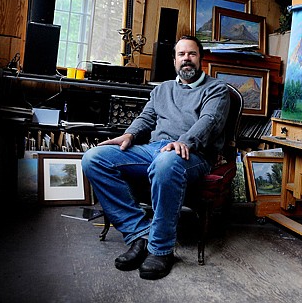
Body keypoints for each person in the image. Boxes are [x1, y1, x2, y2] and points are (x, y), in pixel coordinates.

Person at [82, 35, 230, 280]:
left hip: (193, 153)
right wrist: (129, 134)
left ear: (201, 59)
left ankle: (160, 249)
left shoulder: (216, 89)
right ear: (174, 61)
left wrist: (184, 142)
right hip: (154, 149)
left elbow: (209, 122)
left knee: (166, 163)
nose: (186, 59)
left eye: (192, 54)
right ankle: (140, 232)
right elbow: (146, 118)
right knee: (94, 158)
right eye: (181, 55)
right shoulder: (162, 89)